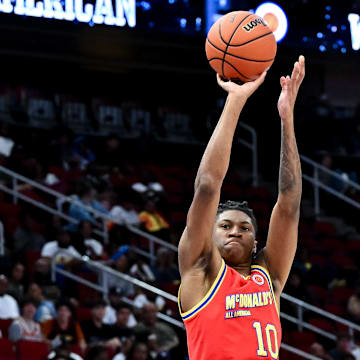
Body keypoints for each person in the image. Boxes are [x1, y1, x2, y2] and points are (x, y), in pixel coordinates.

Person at [178, 56, 305, 360]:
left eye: (245, 228)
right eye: (225, 226)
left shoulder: (268, 277)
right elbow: (208, 185)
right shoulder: (199, 271)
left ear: (255, 243)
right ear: (210, 235)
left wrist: (286, 119)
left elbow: (289, 203)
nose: (235, 231)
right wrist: (236, 99)